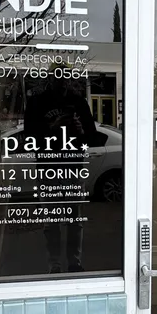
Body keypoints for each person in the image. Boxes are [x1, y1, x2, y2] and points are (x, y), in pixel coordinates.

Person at [23, 75, 107, 274]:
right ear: (49, 80)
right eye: (57, 77)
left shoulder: (78, 102)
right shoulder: (37, 102)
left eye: (66, 78)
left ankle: (74, 263)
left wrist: (80, 131)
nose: (62, 82)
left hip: (72, 167)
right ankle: (54, 265)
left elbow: (91, 138)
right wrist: (51, 128)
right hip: (47, 168)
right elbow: (29, 138)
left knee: (74, 220)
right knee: (51, 221)